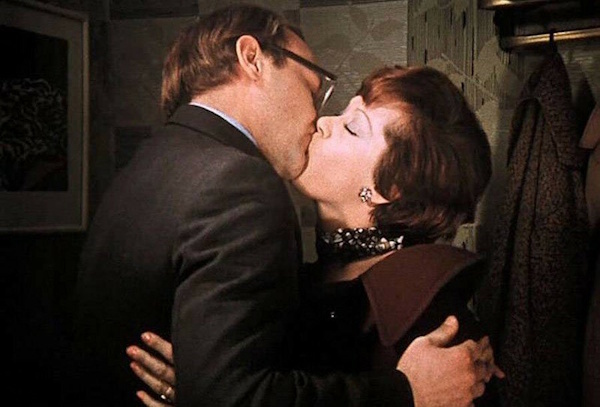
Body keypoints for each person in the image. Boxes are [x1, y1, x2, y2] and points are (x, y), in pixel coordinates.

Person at [68, 4, 500, 407]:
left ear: (392, 187)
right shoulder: (305, 273)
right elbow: (238, 387)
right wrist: (205, 388)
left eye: (353, 127)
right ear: (251, 59)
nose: (323, 121)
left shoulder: (434, 321)